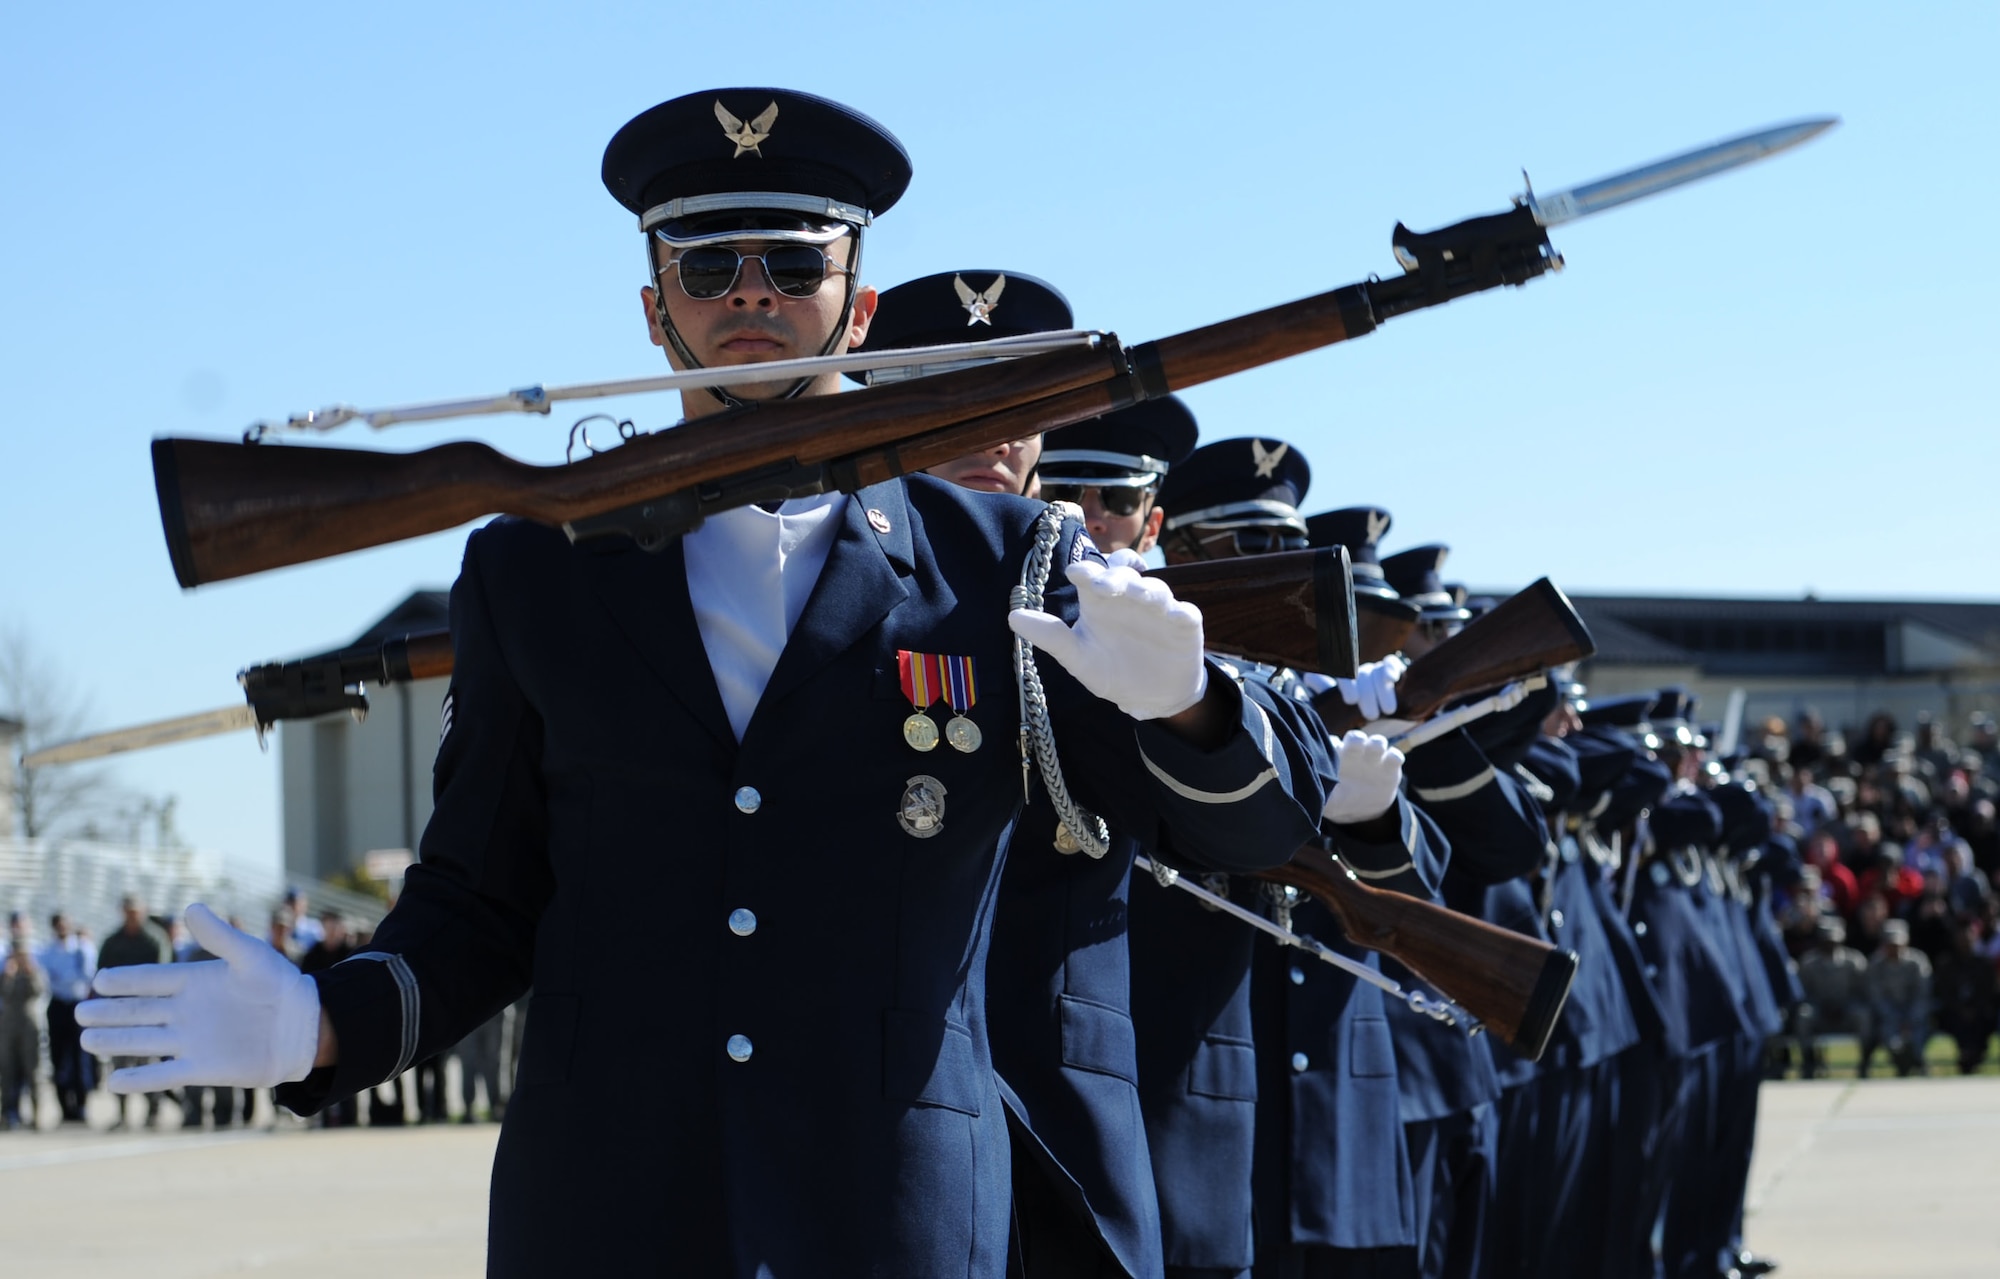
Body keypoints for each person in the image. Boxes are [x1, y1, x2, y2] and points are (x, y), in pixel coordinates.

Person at [80, 88, 1329, 1278]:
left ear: (856, 303)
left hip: (890, 1221)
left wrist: (1191, 704)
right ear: (651, 304)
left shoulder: (999, 564)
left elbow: (1255, 838)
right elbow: (477, 899)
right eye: (707, 263)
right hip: (610, 1215)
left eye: (793, 264)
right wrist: (327, 1022)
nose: (750, 293)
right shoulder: (534, 568)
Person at [96, 894, 173, 1127]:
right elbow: (102, 974)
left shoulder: (155, 939)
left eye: (135, 912)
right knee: (119, 1065)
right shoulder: (113, 941)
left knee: (147, 1063)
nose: (131, 916)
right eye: (128, 912)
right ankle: (121, 1114)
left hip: (147, 1011)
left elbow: (162, 975)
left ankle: (153, 1111)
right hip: (120, 1012)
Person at [36, 911, 97, 1122]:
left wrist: (65, 978)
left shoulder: (81, 948)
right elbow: (45, 977)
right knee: (58, 1057)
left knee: (82, 1056)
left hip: (77, 1003)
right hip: (59, 1005)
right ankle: (65, 1108)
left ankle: (81, 1106)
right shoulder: (47, 951)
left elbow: (88, 974)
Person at [1862, 918, 1932, 1077]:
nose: (1894, 949)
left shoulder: (1918, 962)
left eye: (1898, 944)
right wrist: (1895, 1018)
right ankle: (1901, 1060)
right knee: (1890, 1036)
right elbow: (1877, 997)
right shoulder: (1875, 964)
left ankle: (1917, 1059)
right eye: (1890, 944)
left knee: (1919, 1030)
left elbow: (1922, 995)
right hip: (1888, 1017)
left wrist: (1910, 1018)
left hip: (1914, 1015)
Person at [1, 922, 45, 1129]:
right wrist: (8, 976)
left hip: (29, 1027)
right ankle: (9, 1114)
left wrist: (30, 972)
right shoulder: (6, 973)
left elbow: (38, 991)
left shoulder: (34, 971)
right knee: (8, 1072)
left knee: (33, 1071)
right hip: (9, 1027)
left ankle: (37, 1115)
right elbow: (5, 995)